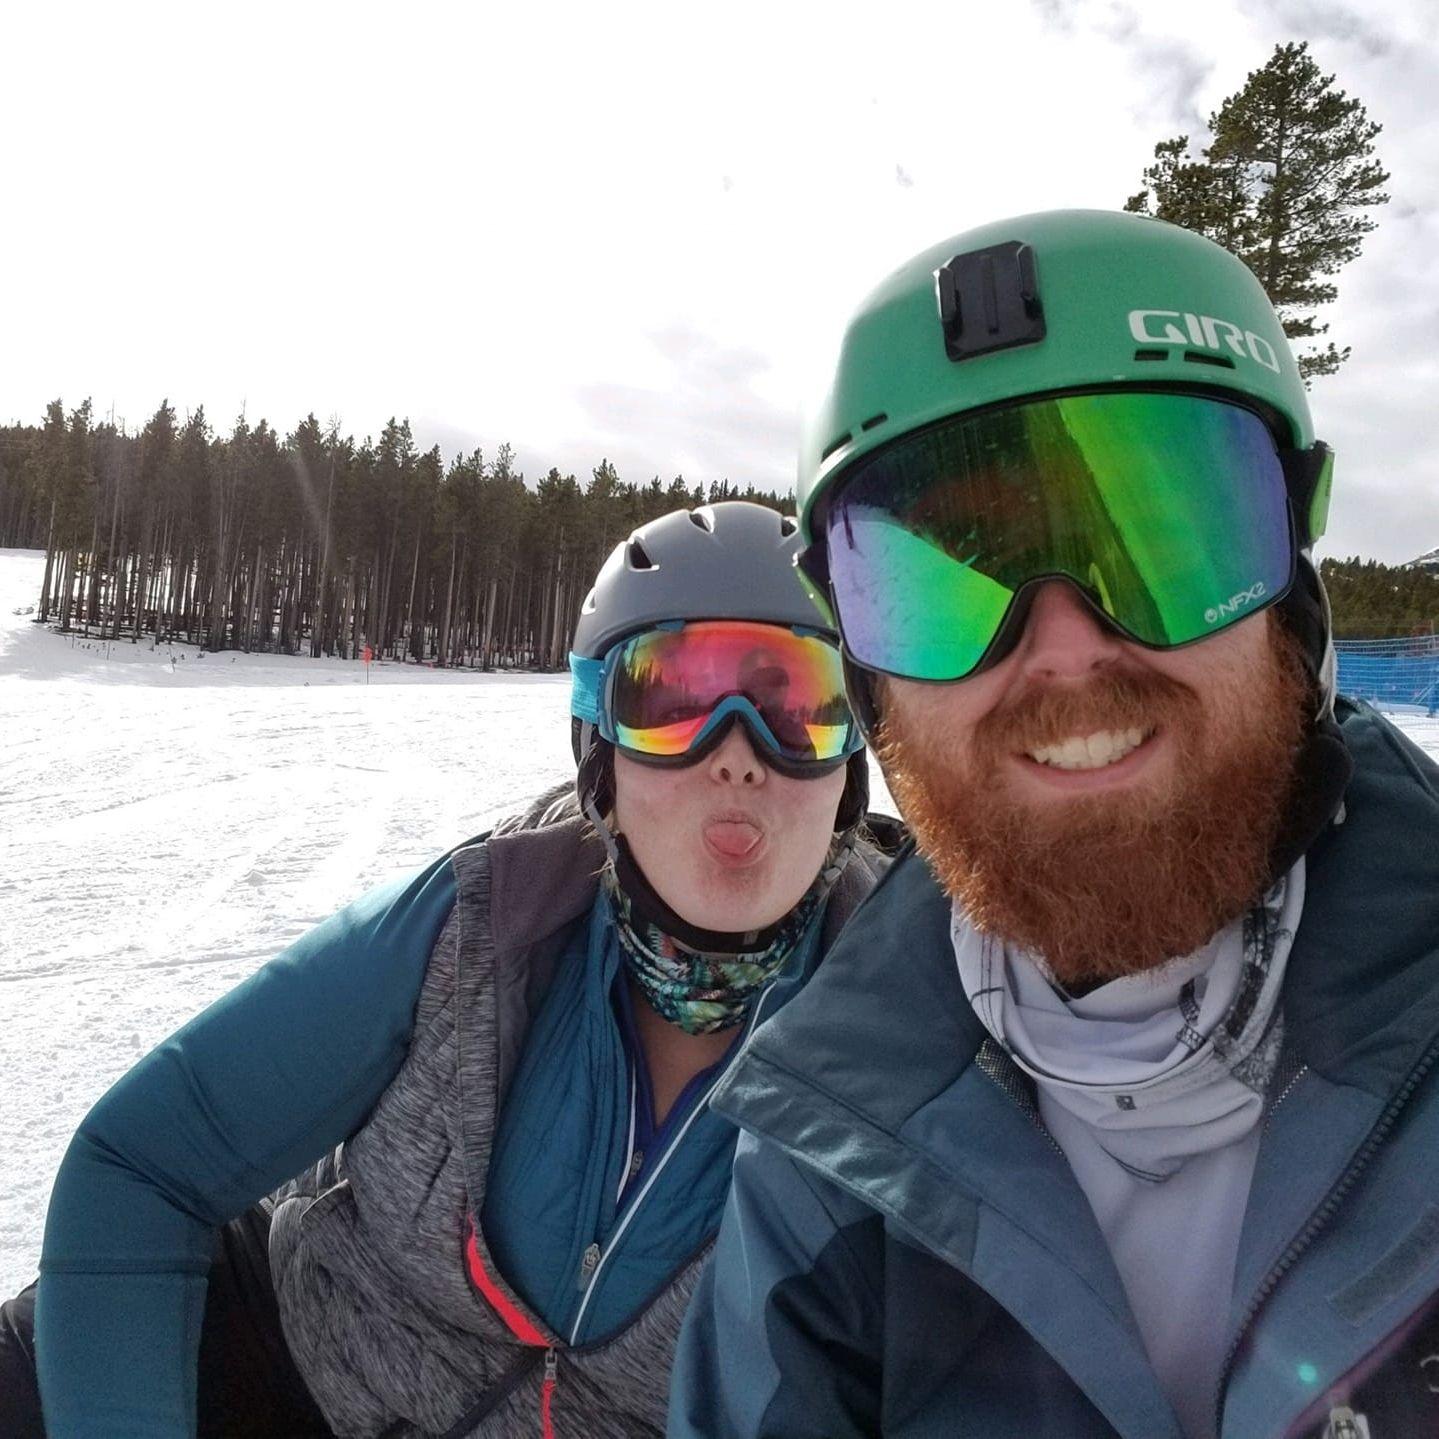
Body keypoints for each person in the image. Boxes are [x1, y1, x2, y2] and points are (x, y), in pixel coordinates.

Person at [669, 212, 1439, 1439]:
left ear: (1289, 588)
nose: (1066, 651)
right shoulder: (822, 1158)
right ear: (867, 676)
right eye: (941, 584)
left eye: (1161, 538)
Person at [0, 500, 897, 1437]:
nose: (739, 756)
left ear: (848, 770)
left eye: (797, 705)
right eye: (671, 700)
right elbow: (142, 1162)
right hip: (271, 1361)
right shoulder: (481, 924)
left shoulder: (909, 1042)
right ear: (601, 755)